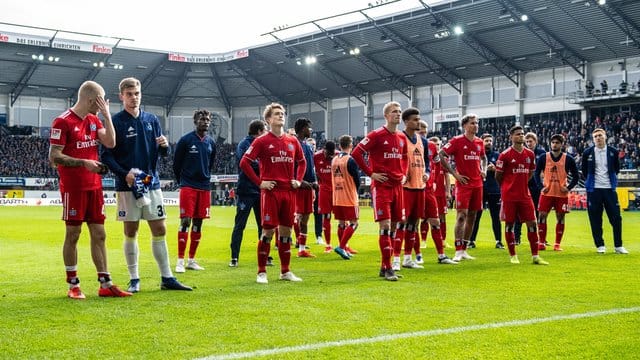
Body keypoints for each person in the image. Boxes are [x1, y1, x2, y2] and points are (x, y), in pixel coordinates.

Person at [101, 77, 192, 292]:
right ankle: (134, 278)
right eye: (130, 94)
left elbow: (163, 153)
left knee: (159, 227)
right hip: (128, 186)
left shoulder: (151, 120)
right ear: (121, 96)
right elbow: (106, 155)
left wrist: (164, 146)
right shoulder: (116, 122)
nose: (134, 98)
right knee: (131, 230)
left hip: (151, 183)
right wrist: (125, 175)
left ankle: (167, 277)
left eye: (137, 94)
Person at [49, 80, 132, 299]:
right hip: (73, 188)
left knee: (99, 234)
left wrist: (106, 115)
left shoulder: (94, 120)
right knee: (73, 234)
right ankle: (73, 285)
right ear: (90, 100)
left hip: (94, 187)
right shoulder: (62, 121)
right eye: (101, 101)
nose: (103, 104)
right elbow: (54, 157)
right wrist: (83, 163)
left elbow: (111, 143)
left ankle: (106, 283)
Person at [239, 102, 306, 283]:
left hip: (289, 192)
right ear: (268, 119)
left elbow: (302, 162)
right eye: (276, 114)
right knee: (267, 232)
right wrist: (260, 183)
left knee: (286, 233)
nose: (280, 116)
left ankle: (285, 271)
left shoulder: (293, 141)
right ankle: (261, 272)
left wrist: (298, 180)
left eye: (282, 113)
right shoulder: (261, 141)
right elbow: (244, 162)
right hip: (271, 193)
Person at [352, 101, 408, 281]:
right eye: (394, 112)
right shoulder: (376, 135)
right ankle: (389, 267)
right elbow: (356, 153)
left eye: (399, 112)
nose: (398, 114)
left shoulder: (401, 137)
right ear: (386, 115)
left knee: (393, 227)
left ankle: (385, 267)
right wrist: (371, 173)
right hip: (382, 187)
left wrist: (404, 173)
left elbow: (405, 157)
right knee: (385, 226)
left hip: (398, 186)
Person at [401, 113, 457, 267]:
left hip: (428, 190)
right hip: (411, 188)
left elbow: (434, 165)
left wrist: (428, 175)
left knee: (435, 220)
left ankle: (441, 255)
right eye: (421, 131)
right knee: (413, 222)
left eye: (425, 131)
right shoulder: (404, 140)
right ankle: (416, 254)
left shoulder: (429, 145)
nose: (422, 133)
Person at [495, 125, 549, 265]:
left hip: (525, 195)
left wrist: (521, 183)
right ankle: (513, 255)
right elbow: (498, 175)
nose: (521, 136)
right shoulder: (505, 155)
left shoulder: (530, 154)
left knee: (532, 223)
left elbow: (531, 172)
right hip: (509, 196)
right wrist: (507, 186)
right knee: (510, 225)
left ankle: (535, 256)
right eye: (518, 134)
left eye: (522, 134)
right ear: (511, 137)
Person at [172, 109, 216, 273]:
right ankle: (180, 261)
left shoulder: (211, 142)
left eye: (207, 119)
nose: (205, 121)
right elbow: (176, 164)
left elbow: (210, 163)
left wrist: (205, 177)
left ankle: (191, 260)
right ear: (195, 121)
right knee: (185, 222)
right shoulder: (185, 140)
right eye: (202, 119)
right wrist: (182, 182)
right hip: (188, 185)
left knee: (198, 223)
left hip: (204, 187)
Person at [439, 113, 487, 262]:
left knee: (472, 216)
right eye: (472, 123)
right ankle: (458, 249)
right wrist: (455, 174)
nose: (476, 125)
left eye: (477, 123)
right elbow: (441, 154)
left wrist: (483, 169)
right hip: (463, 184)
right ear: (465, 125)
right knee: (461, 216)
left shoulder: (479, 142)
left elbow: (483, 158)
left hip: (477, 184)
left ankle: (465, 249)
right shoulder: (457, 141)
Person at [581, 128, 628, 254]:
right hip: (594, 190)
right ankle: (600, 245)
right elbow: (584, 170)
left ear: (605, 137)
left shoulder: (613, 151)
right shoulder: (587, 152)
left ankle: (618, 246)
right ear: (593, 138)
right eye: (595, 136)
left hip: (609, 189)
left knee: (616, 218)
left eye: (600, 135)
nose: (598, 138)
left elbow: (616, 169)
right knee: (595, 218)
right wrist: (591, 182)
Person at [229, 119, 266, 267]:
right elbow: (246, 163)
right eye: (265, 130)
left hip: (259, 189)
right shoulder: (244, 144)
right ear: (259, 131)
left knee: (263, 225)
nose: (267, 133)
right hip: (246, 190)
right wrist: (263, 167)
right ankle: (234, 257)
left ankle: (265, 256)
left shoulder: (262, 144)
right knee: (240, 225)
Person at [534, 134, 579, 251]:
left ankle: (557, 244)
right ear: (550, 144)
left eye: (557, 143)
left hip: (561, 194)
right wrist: (540, 187)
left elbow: (576, 176)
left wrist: (568, 188)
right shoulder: (543, 157)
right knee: (542, 216)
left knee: (560, 217)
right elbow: (536, 173)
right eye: (553, 142)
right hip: (546, 193)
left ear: (561, 144)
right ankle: (541, 242)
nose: (554, 144)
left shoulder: (568, 159)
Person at [469, 133, 504, 249]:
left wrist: (495, 169)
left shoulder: (498, 155)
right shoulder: (477, 155)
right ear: (482, 142)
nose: (489, 142)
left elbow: (503, 172)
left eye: (490, 140)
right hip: (480, 189)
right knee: (476, 216)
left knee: (496, 217)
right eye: (486, 140)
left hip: (494, 190)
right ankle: (471, 241)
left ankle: (499, 241)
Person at [331, 135, 361, 260]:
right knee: (354, 223)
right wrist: (356, 191)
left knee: (342, 223)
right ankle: (342, 246)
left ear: (339, 145)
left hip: (337, 196)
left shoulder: (334, 159)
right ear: (351, 145)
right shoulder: (350, 160)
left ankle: (344, 248)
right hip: (349, 195)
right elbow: (357, 179)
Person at [293, 117, 318, 257]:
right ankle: (286, 242)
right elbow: (292, 166)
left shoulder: (307, 146)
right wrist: (299, 182)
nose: (311, 131)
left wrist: (314, 182)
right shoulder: (293, 143)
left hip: (308, 186)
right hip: (298, 187)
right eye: (309, 128)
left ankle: (302, 249)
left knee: (306, 217)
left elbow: (310, 167)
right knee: (297, 216)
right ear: (303, 128)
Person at [515, 132, 545, 244]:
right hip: (523, 185)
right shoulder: (522, 153)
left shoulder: (541, 153)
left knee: (537, 213)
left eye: (530, 141)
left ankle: (538, 238)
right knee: (519, 212)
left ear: (535, 142)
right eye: (526, 141)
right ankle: (517, 237)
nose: (528, 143)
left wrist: (543, 175)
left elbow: (547, 167)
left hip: (537, 186)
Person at [428, 136, 452, 250]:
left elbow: (447, 176)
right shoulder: (426, 157)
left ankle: (443, 240)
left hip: (441, 193)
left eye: (438, 144)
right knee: (424, 217)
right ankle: (423, 240)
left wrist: (448, 191)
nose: (436, 146)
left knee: (442, 217)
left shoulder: (443, 160)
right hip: (429, 191)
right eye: (434, 144)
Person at [314, 140, 338, 253]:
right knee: (327, 217)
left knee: (342, 218)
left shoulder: (338, 155)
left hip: (337, 190)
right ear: (324, 150)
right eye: (329, 154)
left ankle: (344, 245)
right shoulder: (316, 156)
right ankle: (328, 245)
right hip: (324, 190)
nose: (331, 156)